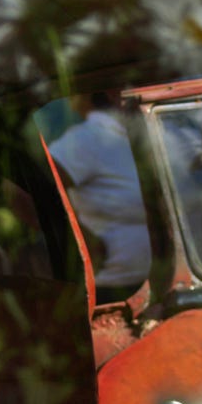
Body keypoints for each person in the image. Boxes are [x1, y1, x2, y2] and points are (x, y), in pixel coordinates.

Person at [49, 91, 151, 301]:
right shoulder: (88, 138)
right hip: (109, 291)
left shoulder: (137, 136)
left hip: (148, 287)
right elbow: (28, 191)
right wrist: (79, 238)